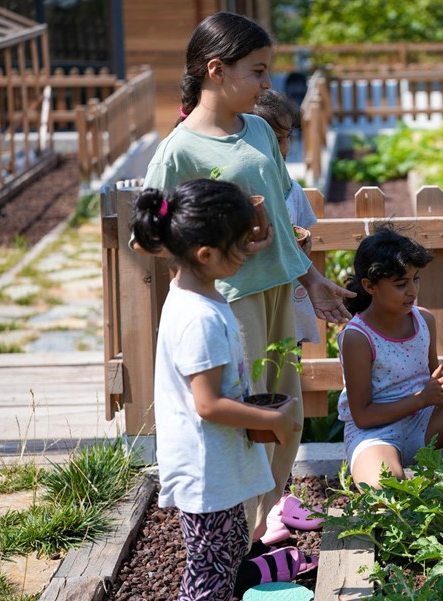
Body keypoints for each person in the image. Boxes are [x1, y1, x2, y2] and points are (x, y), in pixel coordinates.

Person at [142, 11, 354, 546]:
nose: (267, 86)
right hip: (228, 302)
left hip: (278, 292)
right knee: (244, 425)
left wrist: (311, 280)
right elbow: (147, 236)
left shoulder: (258, 129)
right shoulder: (179, 150)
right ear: (216, 70)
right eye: (258, 72)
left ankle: (264, 527)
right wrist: (212, 247)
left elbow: (282, 219)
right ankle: (235, 536)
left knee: (286, 417)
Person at [131, 179, 304, 601]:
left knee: (224, 561)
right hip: (206, 471)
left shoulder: (193, 287)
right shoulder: (200, 319)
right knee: (210, 576)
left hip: (215, 465)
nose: (248, 251)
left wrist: (245, 236)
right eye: (241, 246)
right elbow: (207, 404)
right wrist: (273, 419)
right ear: (207, 254)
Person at [337, 225, 443, 489]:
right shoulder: (358, 337)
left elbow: (435, 383)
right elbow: (363, 415)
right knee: (384, 488)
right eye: (401, 284)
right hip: (376, 433)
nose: (412, 290)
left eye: (416, 279)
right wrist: (423, 398)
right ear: (369, 286)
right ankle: (390, 471)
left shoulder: (424, 320)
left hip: (424, 423)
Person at [253, 88, 319, 345]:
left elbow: (299, 234)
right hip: (256, 300)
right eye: (274, 139)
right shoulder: (244, 193)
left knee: (289, 367)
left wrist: (305, 246)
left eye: (287, 137)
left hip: (290, 303)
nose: (284, 147)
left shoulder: (292, 190)